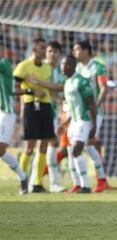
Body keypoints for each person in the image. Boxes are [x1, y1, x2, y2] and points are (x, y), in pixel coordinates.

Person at [72, 40, 115, 192]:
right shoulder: (76, 67)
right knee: (88, 147)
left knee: (84, 147)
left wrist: (95, 106)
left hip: (93, 113)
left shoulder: (98, 66)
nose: (74, 52)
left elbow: (104, 88)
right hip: (77, 114)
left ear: (86, 51)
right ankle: (97, 181)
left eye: (77, 49)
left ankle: (91, 182)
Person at [13, 38, 54, 193]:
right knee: (29, 147)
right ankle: (22, 181)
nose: (45, 51)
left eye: (46, 48)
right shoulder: (23, 66)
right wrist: (31, 91)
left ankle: (37, 183)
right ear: (34, 49)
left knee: (44, 145)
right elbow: (13, 89)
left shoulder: (47, 68)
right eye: (42, 48)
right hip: (31, 106)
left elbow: (51, 87)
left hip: (46, 106)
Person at [25, 41, 66, 193]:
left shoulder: (60, 71)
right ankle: (36, 181)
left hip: (53, 113)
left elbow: (59, 88)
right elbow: (50, 90)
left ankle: (35, 181)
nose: (52, 54)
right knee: (41, 146)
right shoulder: (40, 67)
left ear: (59, 54)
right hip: (37, 111)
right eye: (49, 51)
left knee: (46, 146)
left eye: (55, 52)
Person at [58, 54, 97, 193]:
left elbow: (91, 104)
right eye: (62, 64)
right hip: (73, 122)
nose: (64, 67)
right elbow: (70, 106)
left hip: (84, 121)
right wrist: (64, 123)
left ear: (74, 66)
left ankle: (86, 186)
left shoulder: (82, 81)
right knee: (70, 153)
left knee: (76, 151)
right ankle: (78, 185)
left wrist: (94, 125)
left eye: (67, 64)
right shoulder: (66, 82)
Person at [0, 42, 28, 195]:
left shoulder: (4, 64)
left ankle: (23, 177)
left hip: (6, 112)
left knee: (0, 149)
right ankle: (23, 177)